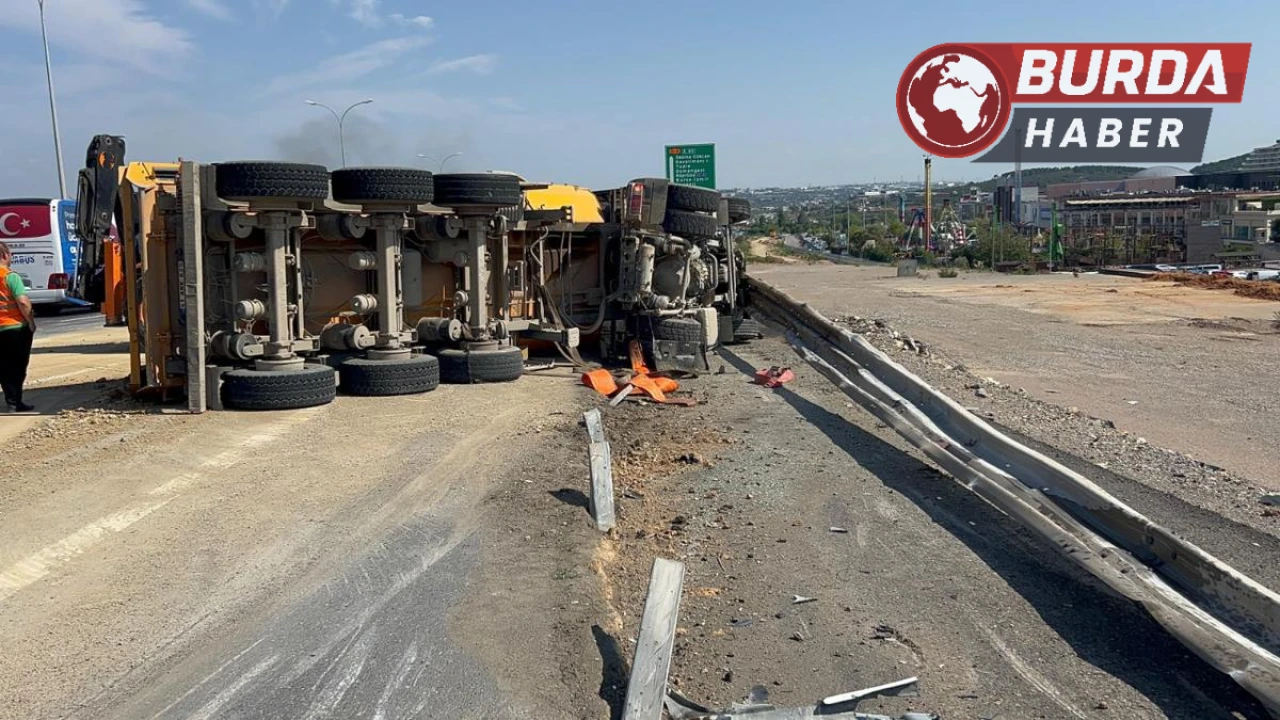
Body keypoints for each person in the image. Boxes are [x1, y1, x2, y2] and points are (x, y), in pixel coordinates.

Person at [0, 241, 37, 412]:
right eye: (10, 254)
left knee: (3, 366)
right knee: (17, 366)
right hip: (14, 328)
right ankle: (15, 402)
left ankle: (11, 400)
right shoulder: (10, 276)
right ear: (5, 255)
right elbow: (22, 301)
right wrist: (31, 322)